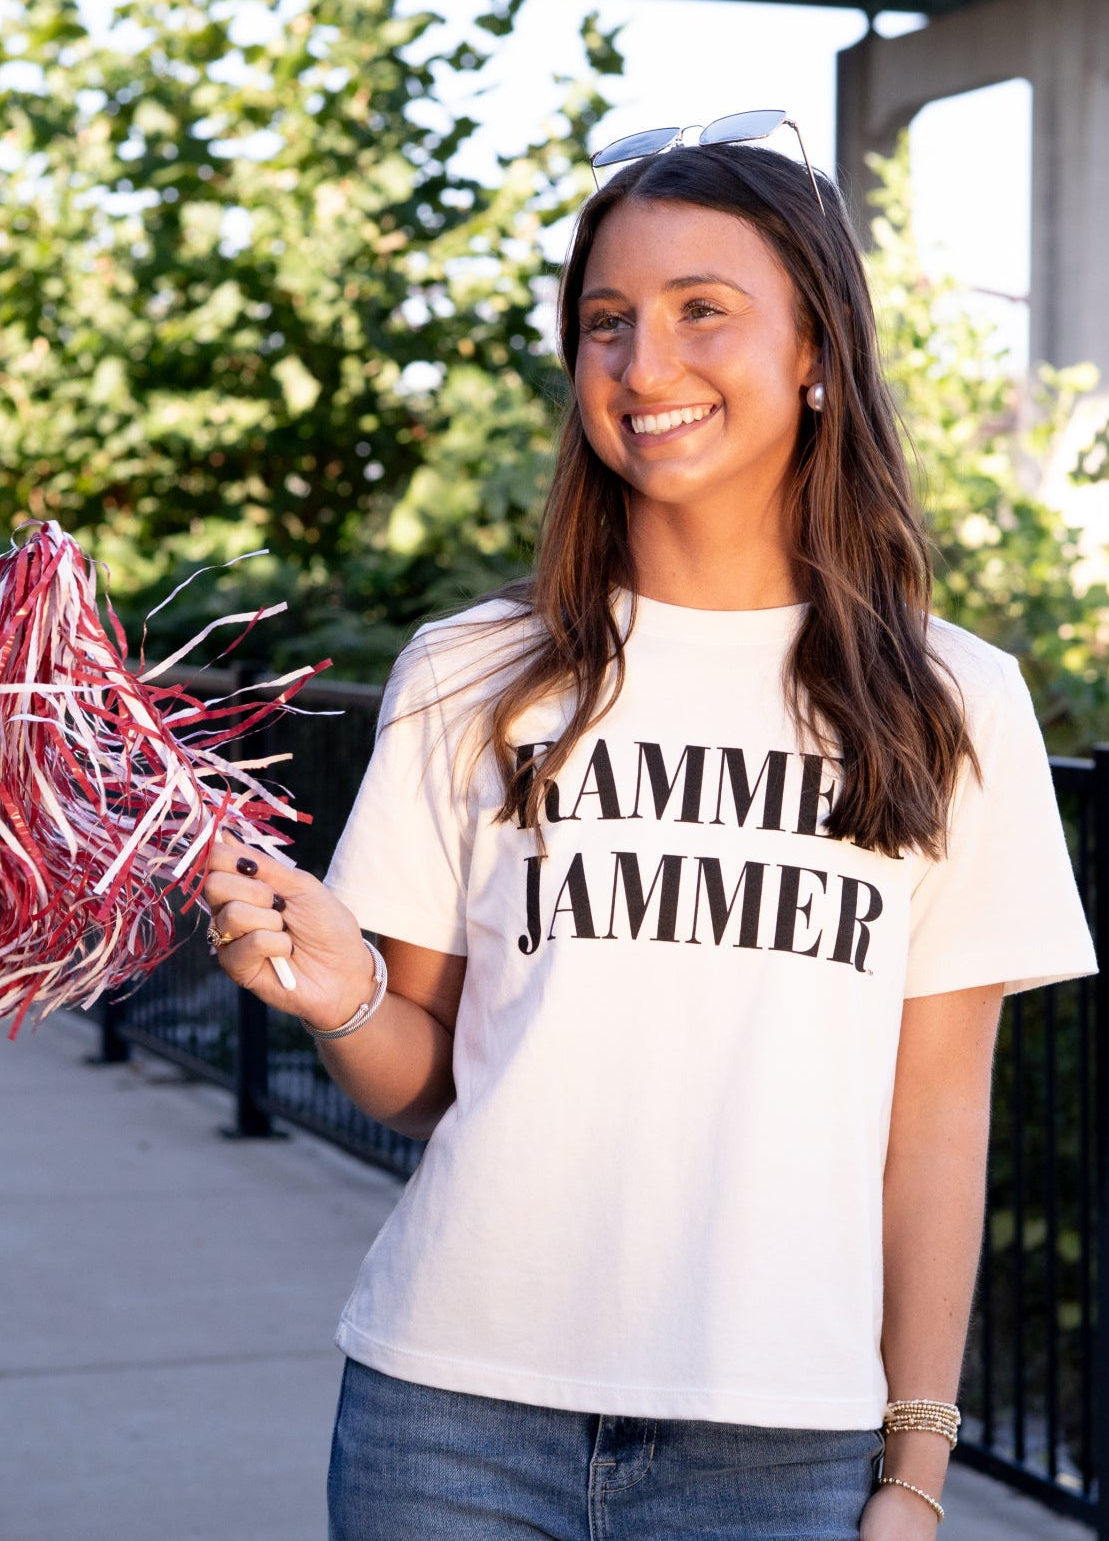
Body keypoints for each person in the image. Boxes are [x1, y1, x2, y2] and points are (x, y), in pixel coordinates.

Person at [203, 118, 1096, 1541]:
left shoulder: (952, 700)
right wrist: (340, 994)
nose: (644, 363)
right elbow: (420, 1083)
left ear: (816, 353)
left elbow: (934, 1126)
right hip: (448, 1420)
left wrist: (914, 1472)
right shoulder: (470, 672)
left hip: (779, 1451)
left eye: (702, 311)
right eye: (606, 321)